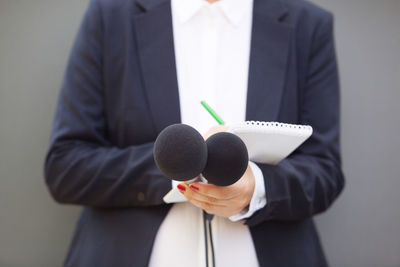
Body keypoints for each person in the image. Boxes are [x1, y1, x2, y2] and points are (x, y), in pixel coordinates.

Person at [44, 0, 345, 266]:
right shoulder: (110, 17)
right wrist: (181, 165)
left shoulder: (308, 25)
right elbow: (66, 167)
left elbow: (324, 171)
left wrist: (257, 188)